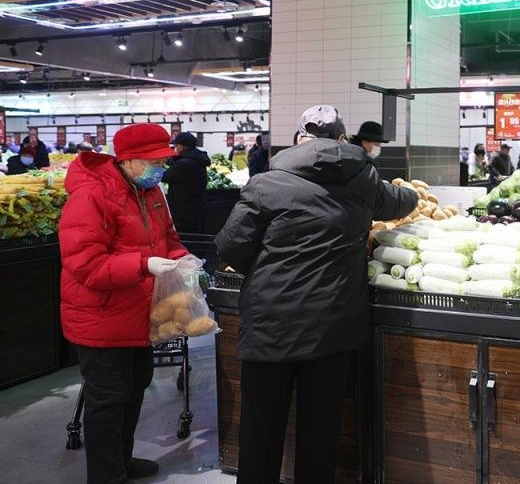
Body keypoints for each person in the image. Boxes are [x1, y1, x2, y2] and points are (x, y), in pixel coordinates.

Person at [215, 105, 417, 484]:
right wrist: (412, 197)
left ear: (298, 140)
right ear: (342, 139)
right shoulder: (364, 180)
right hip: (332, 328)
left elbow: (230, 249)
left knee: (261, 430)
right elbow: (400, 202)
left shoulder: (266, 184)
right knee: (321, 432)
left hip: (271, 326)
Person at [59, 124, 189, 484]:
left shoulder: (150, 190)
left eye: (163, 161)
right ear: (129, 160)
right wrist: (143, 264)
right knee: (108, 399)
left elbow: (168, 236)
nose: (160, 168)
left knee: (134, 389)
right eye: (154, 161)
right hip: (101, 317)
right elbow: (85, 264)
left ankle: (121, 460)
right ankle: (106, 475)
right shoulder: (92, 195)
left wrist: (181, 259)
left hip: (139, 312)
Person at [162, 132, 211, 234]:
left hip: (184, 209)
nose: (175, 148)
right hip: (194, 206)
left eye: (176, 145)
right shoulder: (196, 158)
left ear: (183, 146)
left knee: (185, 235)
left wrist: (158, 165)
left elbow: (164, 177)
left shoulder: (185, 164)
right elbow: (173, 162)